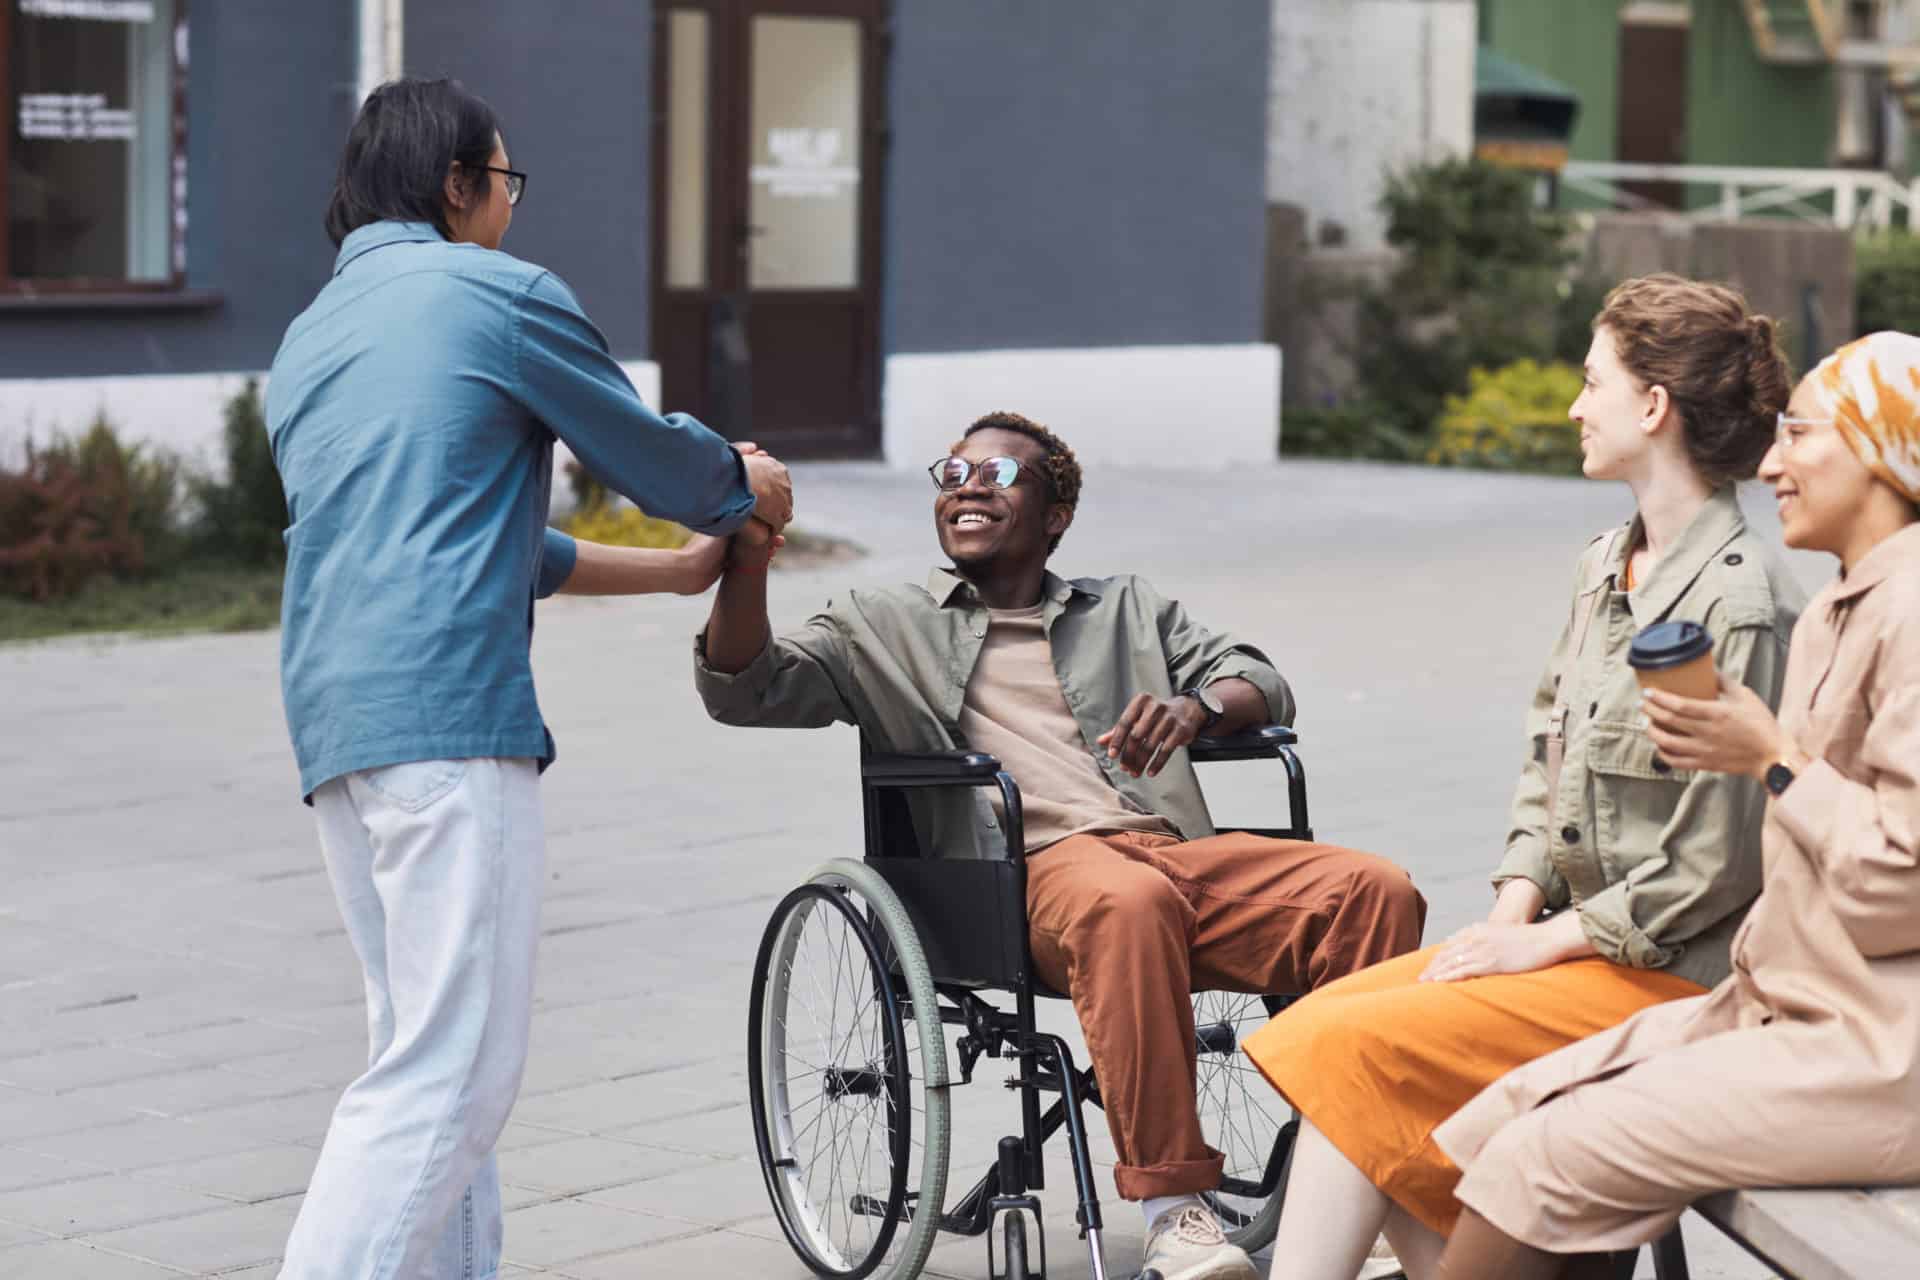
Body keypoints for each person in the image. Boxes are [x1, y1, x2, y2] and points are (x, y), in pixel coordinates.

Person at [697, 410, 1426, 1280]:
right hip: (1020, 875)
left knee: (1376, 890)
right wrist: (748, 559)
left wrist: (1197, 709)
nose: (968, 485)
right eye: (953, 473)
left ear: (1055, 516)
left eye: (1000, 476)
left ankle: (1351, 1183)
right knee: (1129, 902)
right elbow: (747, 689)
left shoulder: (1127, 610)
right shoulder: (879, 620)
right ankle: (1174, 1210)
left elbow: (1260, 678)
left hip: (1166, 846)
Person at [267, 79, 791, 1280]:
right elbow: (662, 460)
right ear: (456, 185)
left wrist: (670, 581)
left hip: (339, 730)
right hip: (449, 718)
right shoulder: (497, 296)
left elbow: (487, 538)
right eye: (504, 181)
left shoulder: (314, 335)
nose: (509, 206)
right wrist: (745, 482)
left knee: (420, 1055)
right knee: (449, 1079)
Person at [1239, 275, 1804, 1280]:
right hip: (1579, 948)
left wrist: (1534, 945)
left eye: (1592, 383)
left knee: (1358, 1050)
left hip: (1676, 975)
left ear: (1653, 406)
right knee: (1330, 1032)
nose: (1574, 407)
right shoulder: (1605, 564)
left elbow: (1714, 864)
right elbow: (1550, 761)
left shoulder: (1740, 602)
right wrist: (1507, 916)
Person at [1427, 330, 1920, 1279]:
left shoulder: (1908, 614)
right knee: (1495, 1122)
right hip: (1782, 1008)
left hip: (1875, 1052)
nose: (1770, 462)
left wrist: (1770, 757)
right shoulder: (1838, 605)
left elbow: (1898, 888)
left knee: (1541, 1155)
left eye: (1801, 436)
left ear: (1881, 448)